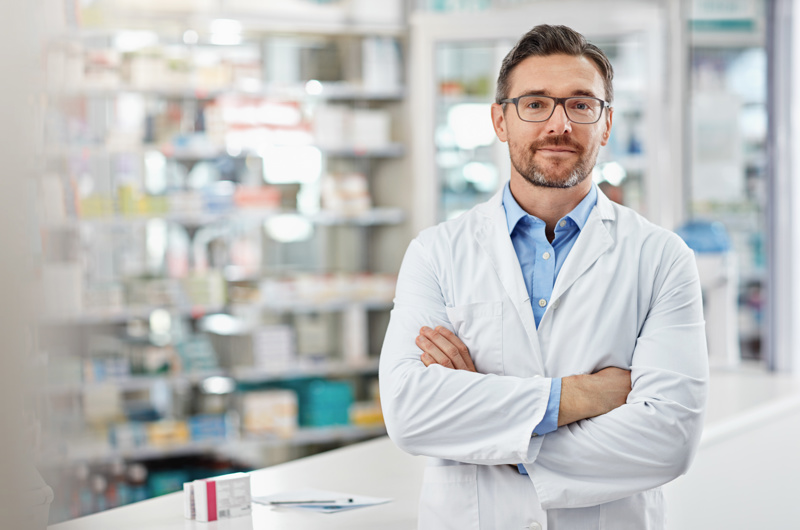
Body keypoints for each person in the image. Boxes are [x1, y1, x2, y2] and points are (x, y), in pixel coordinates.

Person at [379, 24, 709, 530]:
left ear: (606, 123)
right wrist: (585, 396)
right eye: (535, 104)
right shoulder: (436, 253)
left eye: (581, 105)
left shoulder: (661, 257)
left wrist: (494, 431)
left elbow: (669, 440)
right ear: (500, 120)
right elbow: (410, 412)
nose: (559, 125)